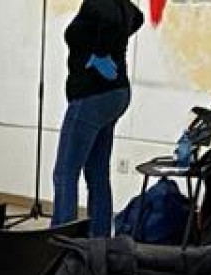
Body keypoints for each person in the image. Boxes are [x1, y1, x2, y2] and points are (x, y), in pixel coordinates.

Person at [52, 0, 143, 237]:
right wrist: (111, 47)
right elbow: (138, 18)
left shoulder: (99, 3)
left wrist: (101, 52)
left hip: (92, 95)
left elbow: (111, 22)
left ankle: (62, 241)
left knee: (65, 172)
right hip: (115, 93)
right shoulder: (122, 4)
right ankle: (100, 240)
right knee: (97, 172)